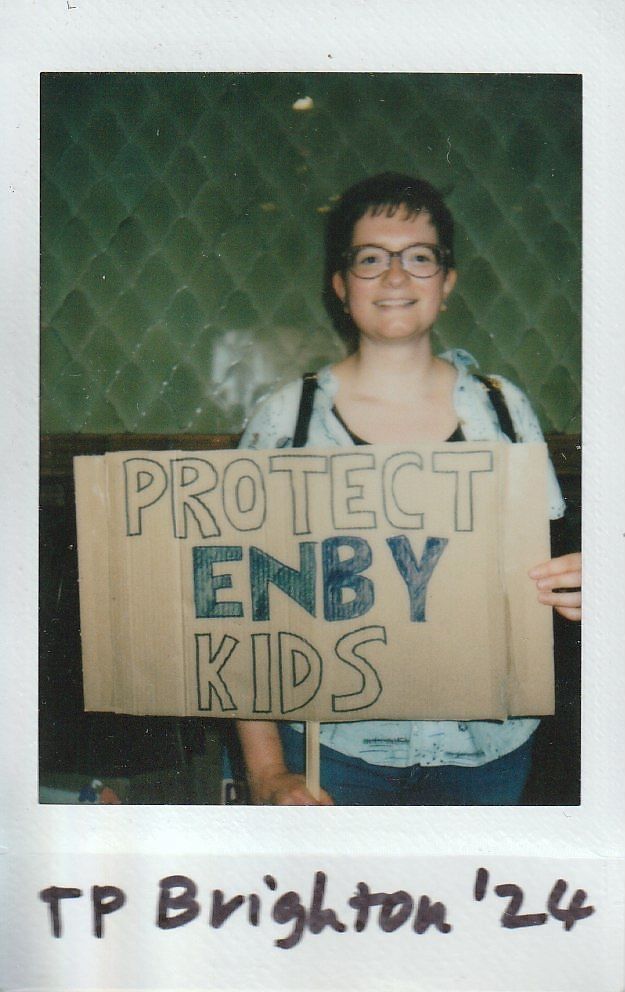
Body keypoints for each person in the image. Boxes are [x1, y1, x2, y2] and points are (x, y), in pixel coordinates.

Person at [236, 172, 581, 806]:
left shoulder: (504, 412)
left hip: (491, 754)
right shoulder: (286, 421)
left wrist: (577, 587)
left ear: (446, 282)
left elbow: (552, 570)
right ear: (340, 286)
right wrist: (266, 772)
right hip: (332, 756)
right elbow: (234, 603)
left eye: (418, 258)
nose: (395, 277)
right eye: (371, 259)